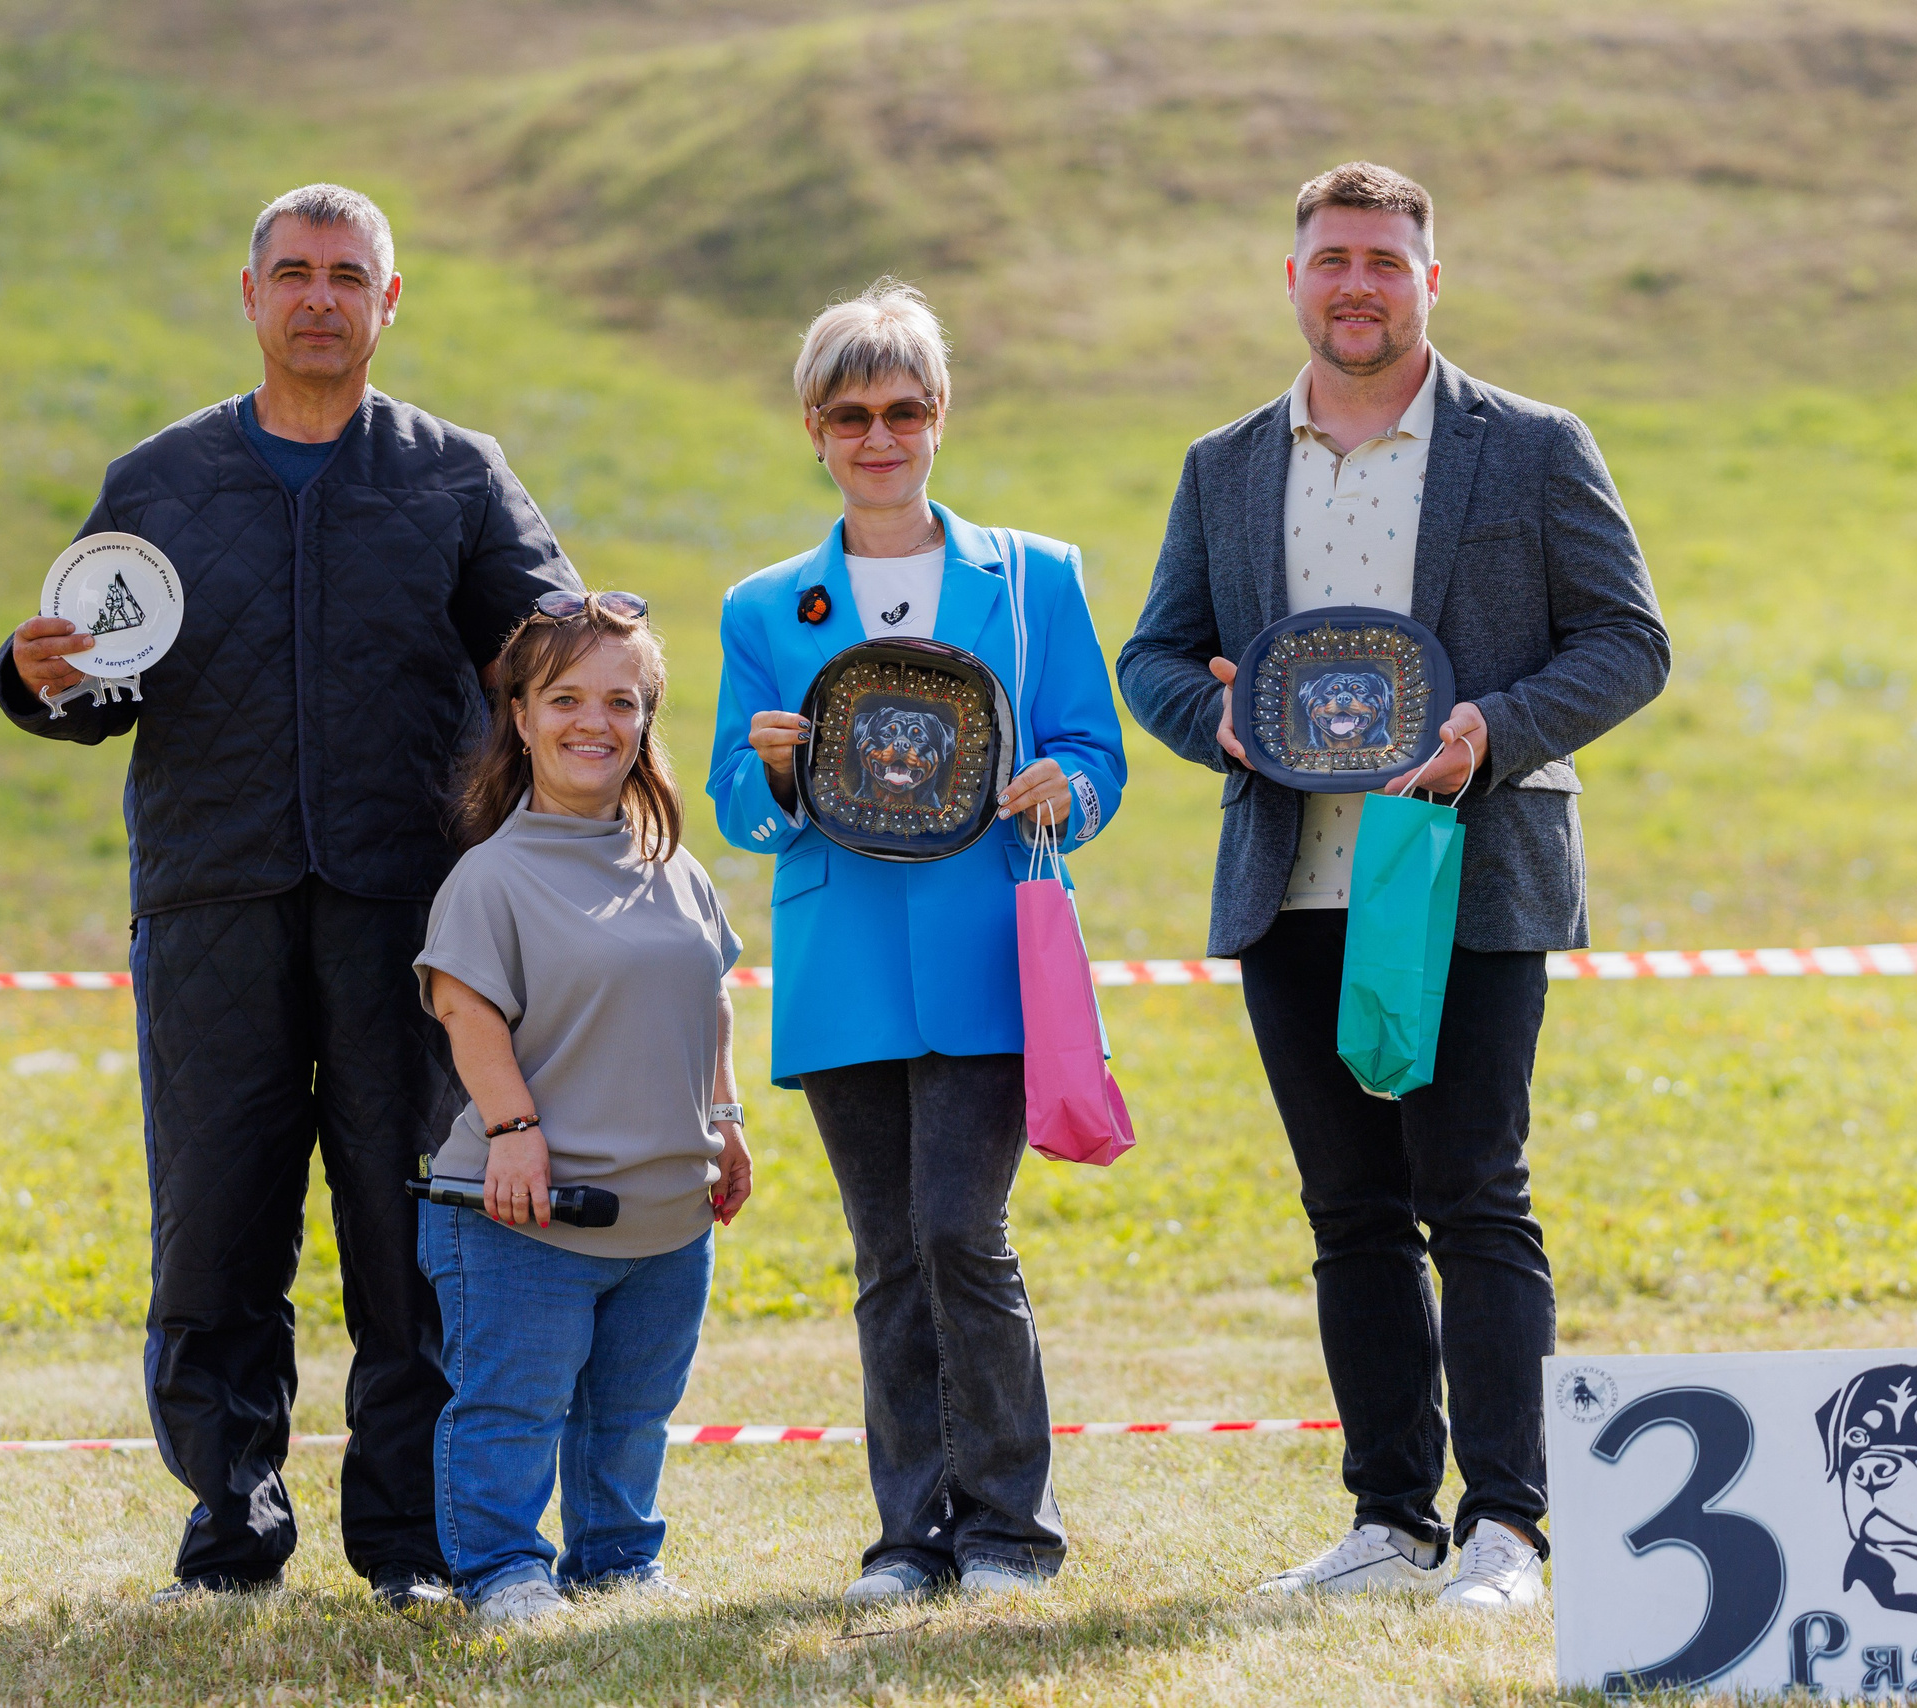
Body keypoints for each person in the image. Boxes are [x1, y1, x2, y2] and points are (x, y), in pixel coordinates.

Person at [0, 183, 578, 1606]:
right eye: (294, 273)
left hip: (412, 917)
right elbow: (90, 681)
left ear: (390, 302)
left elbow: (553, 652)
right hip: (212, 906)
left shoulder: (456, 474)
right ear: (248, 297)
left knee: (409, 1232)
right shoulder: (161, 484)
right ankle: (231, 1533)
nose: (321, 297)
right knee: (215, 1227)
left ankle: (411, 1543)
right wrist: (34, 679)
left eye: (348, 275)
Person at [1117, 161, 1671, 1612]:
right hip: (1293, 885)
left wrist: (1495, 727)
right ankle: (1388, 1520)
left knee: (1476, 1197)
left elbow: (1628, 641)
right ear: (1289, 280)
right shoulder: (1225, 462)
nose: (1354, 281)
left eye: (1382, 257)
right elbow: (1156, 658)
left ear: (1432, 279)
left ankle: (1508, 1530)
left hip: (1470, 877)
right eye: (1329, 258)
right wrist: (1218, 721)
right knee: (1348, 1209)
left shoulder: (1537, 447)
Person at [706, 280, 1127, 1604]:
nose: (877, 436)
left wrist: (1066, 785)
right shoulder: (765, 610)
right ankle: (910, 1538)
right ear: (815, 432)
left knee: (959, 1229)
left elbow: (1094, 751)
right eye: (849, 414)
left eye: (902, 408)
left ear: (939, 417)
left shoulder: (1037, 576)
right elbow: (732, 795)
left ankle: (1010, 1527)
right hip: (842, 974)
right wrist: (771, 772)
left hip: (990, 955)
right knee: (888, 1257)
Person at [414, 592, 752, 1626]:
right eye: (564, 698)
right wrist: (515, 1133)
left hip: (665, 1214)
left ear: (645, 721)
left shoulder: (677, 869)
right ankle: (500, 1570)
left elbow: (713, 995)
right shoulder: (490, 876)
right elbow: (466, 1011)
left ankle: (615, 1559)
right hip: (522, 1215)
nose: (591, 723)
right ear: (519, 717)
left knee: (630, 1413)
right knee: (512, 1409)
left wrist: (727, 1121)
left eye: (619, 700)